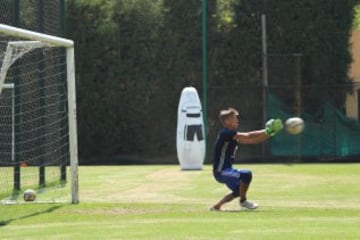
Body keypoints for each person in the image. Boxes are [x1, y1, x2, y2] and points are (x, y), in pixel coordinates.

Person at [211, 107, 283, 210]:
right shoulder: (225, 133)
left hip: (226, 171)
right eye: (234, 118)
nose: (237, 120)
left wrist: (270, 133)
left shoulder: (232, 136)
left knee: (238, 190)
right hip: (221, 172)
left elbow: (254, 140)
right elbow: (249, 135)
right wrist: (266, 130)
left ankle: (217, 207)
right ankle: (243, 201)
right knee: (246, 174)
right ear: (227, 121)